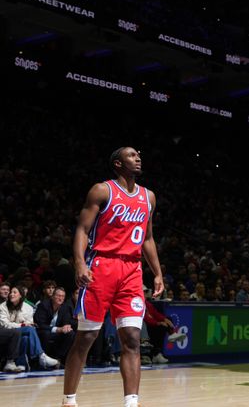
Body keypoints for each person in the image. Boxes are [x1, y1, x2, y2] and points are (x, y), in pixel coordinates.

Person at [62, 147, 165, 407]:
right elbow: (83, 229)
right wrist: (79, 264)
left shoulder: (148, 197)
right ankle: (69, 399)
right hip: (101, 266)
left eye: (140, 154)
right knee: (86, 337)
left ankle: (131, 402)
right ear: (118, 164)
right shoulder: (102, 190)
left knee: (132, 337)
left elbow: (148, 238)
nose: (138, 157)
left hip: (132, 269)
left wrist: (158, 273)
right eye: (132, 155)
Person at [0, 286, 60, 370]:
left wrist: (23, 325)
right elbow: (5, 324)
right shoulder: (3, 306)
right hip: (7, 332)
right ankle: (41, 356)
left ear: (20, 295)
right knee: (29, 330)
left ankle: (21, 364)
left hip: (20, 333)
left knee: (25, 337)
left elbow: (30, 323)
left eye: (14, 292)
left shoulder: (28, 308)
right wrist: (21, 325)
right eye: (11, 292)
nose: (11, 294)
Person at [34, 286, 76, 363]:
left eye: (63, 296)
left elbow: (66, 321)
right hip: (42, 331)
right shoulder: (44, 305)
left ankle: (57, 358)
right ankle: (43, 359)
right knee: (46, 334)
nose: (61, 298)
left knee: (70, 333)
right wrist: (57, 329)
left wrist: (67, 326)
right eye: (58, 296)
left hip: (57, 332)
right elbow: (40, 324)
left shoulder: (65, 307)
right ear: (53, 296)